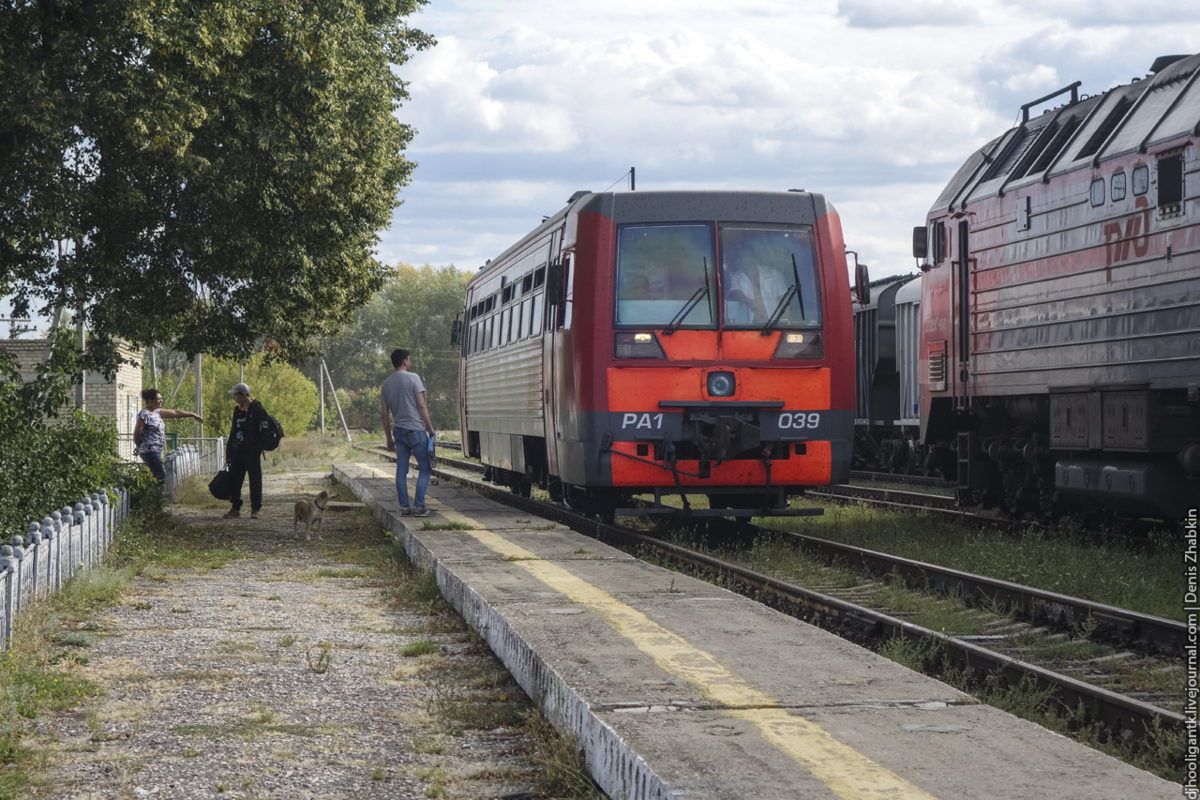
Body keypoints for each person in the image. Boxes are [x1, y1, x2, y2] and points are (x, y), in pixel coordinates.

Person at [381, 348, 436, 517]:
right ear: (405, 361)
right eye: (409, 360)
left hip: (399, 432)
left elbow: (384, 414)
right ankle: (419, 507)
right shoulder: (414, 378)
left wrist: (389, 438)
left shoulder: (386, 384)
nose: (410, 362)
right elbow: (421, 406)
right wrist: (430, 427)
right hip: (416, 431)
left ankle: (404, 508)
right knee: (425, 469)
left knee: (401, 471)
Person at [133, 388, 203, 485]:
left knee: (158, 476)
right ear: (149, 401)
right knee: (160, 476)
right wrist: (138, 446)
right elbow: (137, 433)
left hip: (156, 450)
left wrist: (192, 414)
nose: (161, 401)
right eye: (158, 399)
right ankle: (158, 498)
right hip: (149, 451)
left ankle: (156, 496)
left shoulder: (156, 412)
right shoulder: (144, 414)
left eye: (161, 398)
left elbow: (175, 412)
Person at [224, 382, 268, 519]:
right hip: (237, 452)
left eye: (235, 395)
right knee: (235, 480)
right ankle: (235, 508)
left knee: (255, 480)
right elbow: (233, 431)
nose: (234, 398)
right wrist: (229, 451)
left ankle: (255, 509)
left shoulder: (258, 410)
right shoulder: (237, 410)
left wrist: (258, 446)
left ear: (243, 395)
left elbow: (264, 431)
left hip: (252, 452)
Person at [722, 259, 788, 323]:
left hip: (774, 325)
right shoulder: (735, 276)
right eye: (739, 257)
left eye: (745, 256)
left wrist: (784, 322)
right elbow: (734, 292)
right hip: (752, 326)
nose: (742, 260)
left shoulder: (772, 273)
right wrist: (747, 300)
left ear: (752, 256)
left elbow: (784, 299)